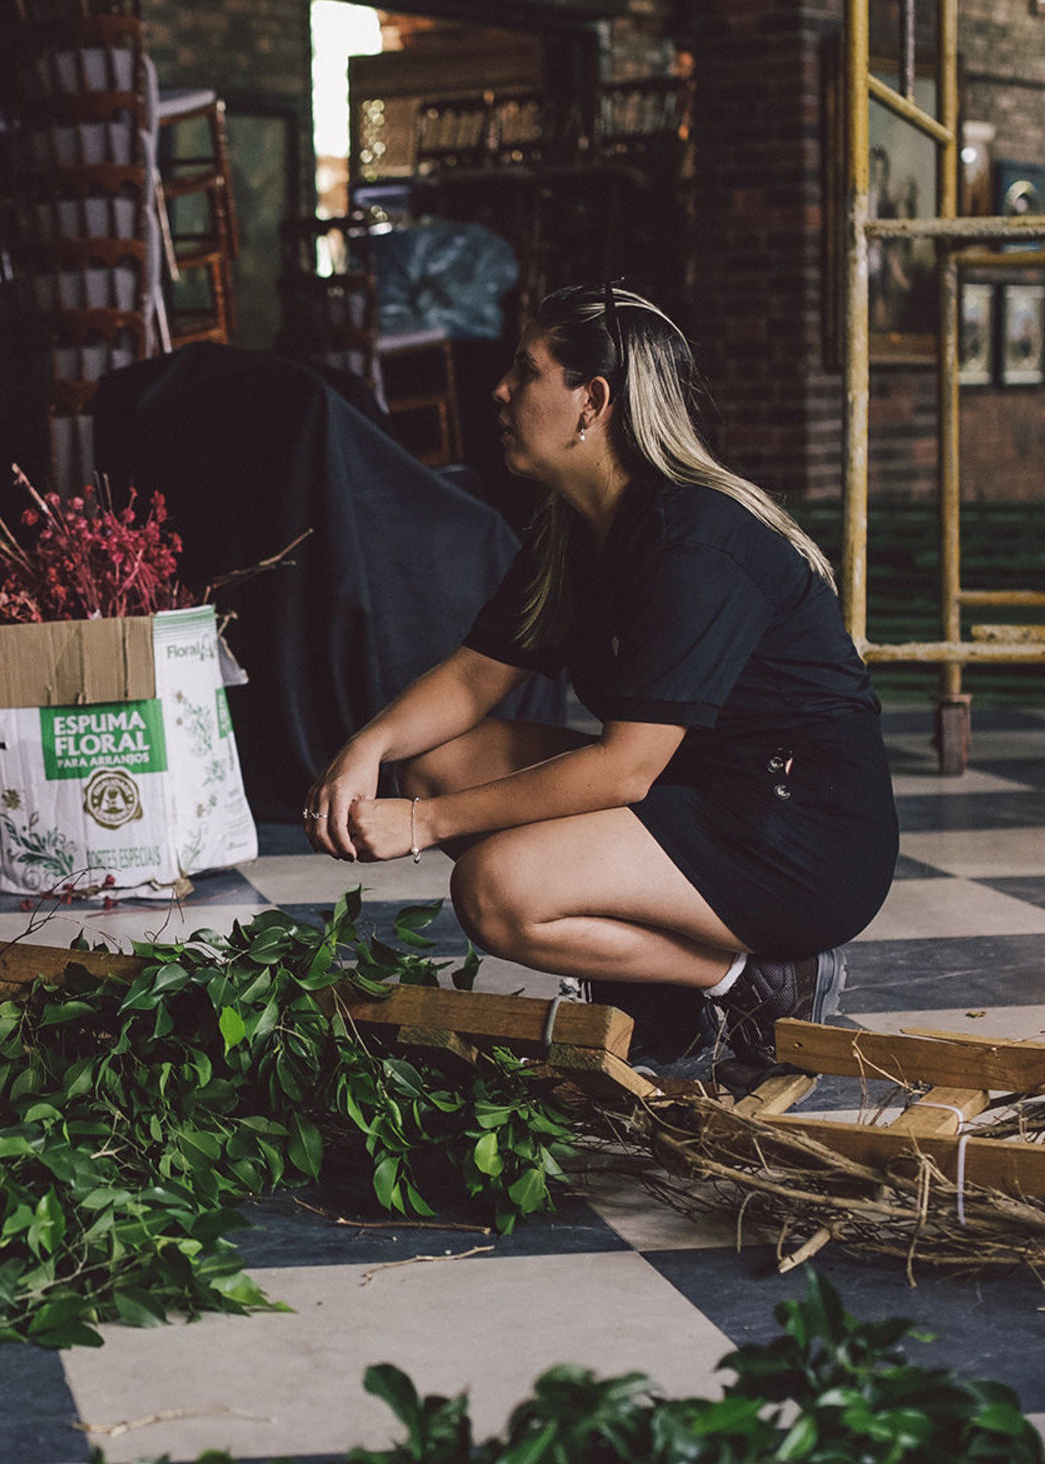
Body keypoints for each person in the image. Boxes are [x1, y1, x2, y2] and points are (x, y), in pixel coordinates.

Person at [303, 283, 897, 1075]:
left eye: (526, 371)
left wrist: (427, 824)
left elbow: (626, 767)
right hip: (698, 794)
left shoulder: (695, 539)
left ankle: (756, 978)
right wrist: (364, 748)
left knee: (495, 892)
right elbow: (478, 676)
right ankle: (664, 997)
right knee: (437, 760)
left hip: (803, 835)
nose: (501, 390)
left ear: (594, 400)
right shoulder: (580, 526)